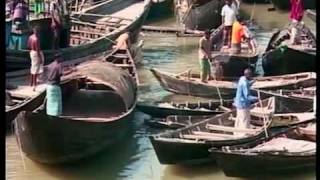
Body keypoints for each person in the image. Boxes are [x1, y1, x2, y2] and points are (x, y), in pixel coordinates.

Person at [233, 68, 258, 136]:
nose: (251, 76)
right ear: (248, 75)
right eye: (251, 75)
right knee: (245, 119)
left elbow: (247, 84)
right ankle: (244, 134)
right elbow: (248, 96)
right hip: (243, 104)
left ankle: (236, 133)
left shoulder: (242, 79)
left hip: (238, 103)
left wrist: (252, 82)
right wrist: (257, 98)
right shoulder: (245, 83)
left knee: (239, 118)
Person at [27, 26, 44, 91]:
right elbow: (38, 50)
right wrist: (40, 59)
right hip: (36, 54)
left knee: (32, 67)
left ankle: (31, 83)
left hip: (31, 52)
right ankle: (34, 85)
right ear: (38, 32)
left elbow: (28, 46)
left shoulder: (30, 37)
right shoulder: (36, 39)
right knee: (36, 70)